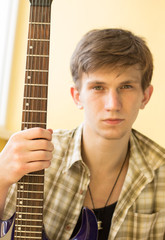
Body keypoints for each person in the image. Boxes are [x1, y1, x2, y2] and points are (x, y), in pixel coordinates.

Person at [0, 28, 165, 240]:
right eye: (98, 87)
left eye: (126, 86)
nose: (112, 104)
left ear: (145, 96)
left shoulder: (161, 172)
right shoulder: (35, 155)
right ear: (77, 96)